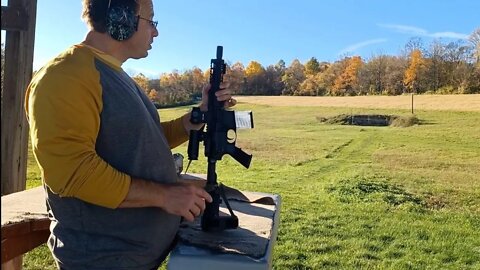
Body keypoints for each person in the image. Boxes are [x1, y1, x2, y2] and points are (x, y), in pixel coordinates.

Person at [25, 0, 236, 269]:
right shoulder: (64, 76)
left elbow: (142, 139)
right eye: (151, 21)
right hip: (101, 260)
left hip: (134, 256)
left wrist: (197, 116)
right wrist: (165, 196)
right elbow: (72, 173)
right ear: (121, 17)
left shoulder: (114, 74)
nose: (155, 33)